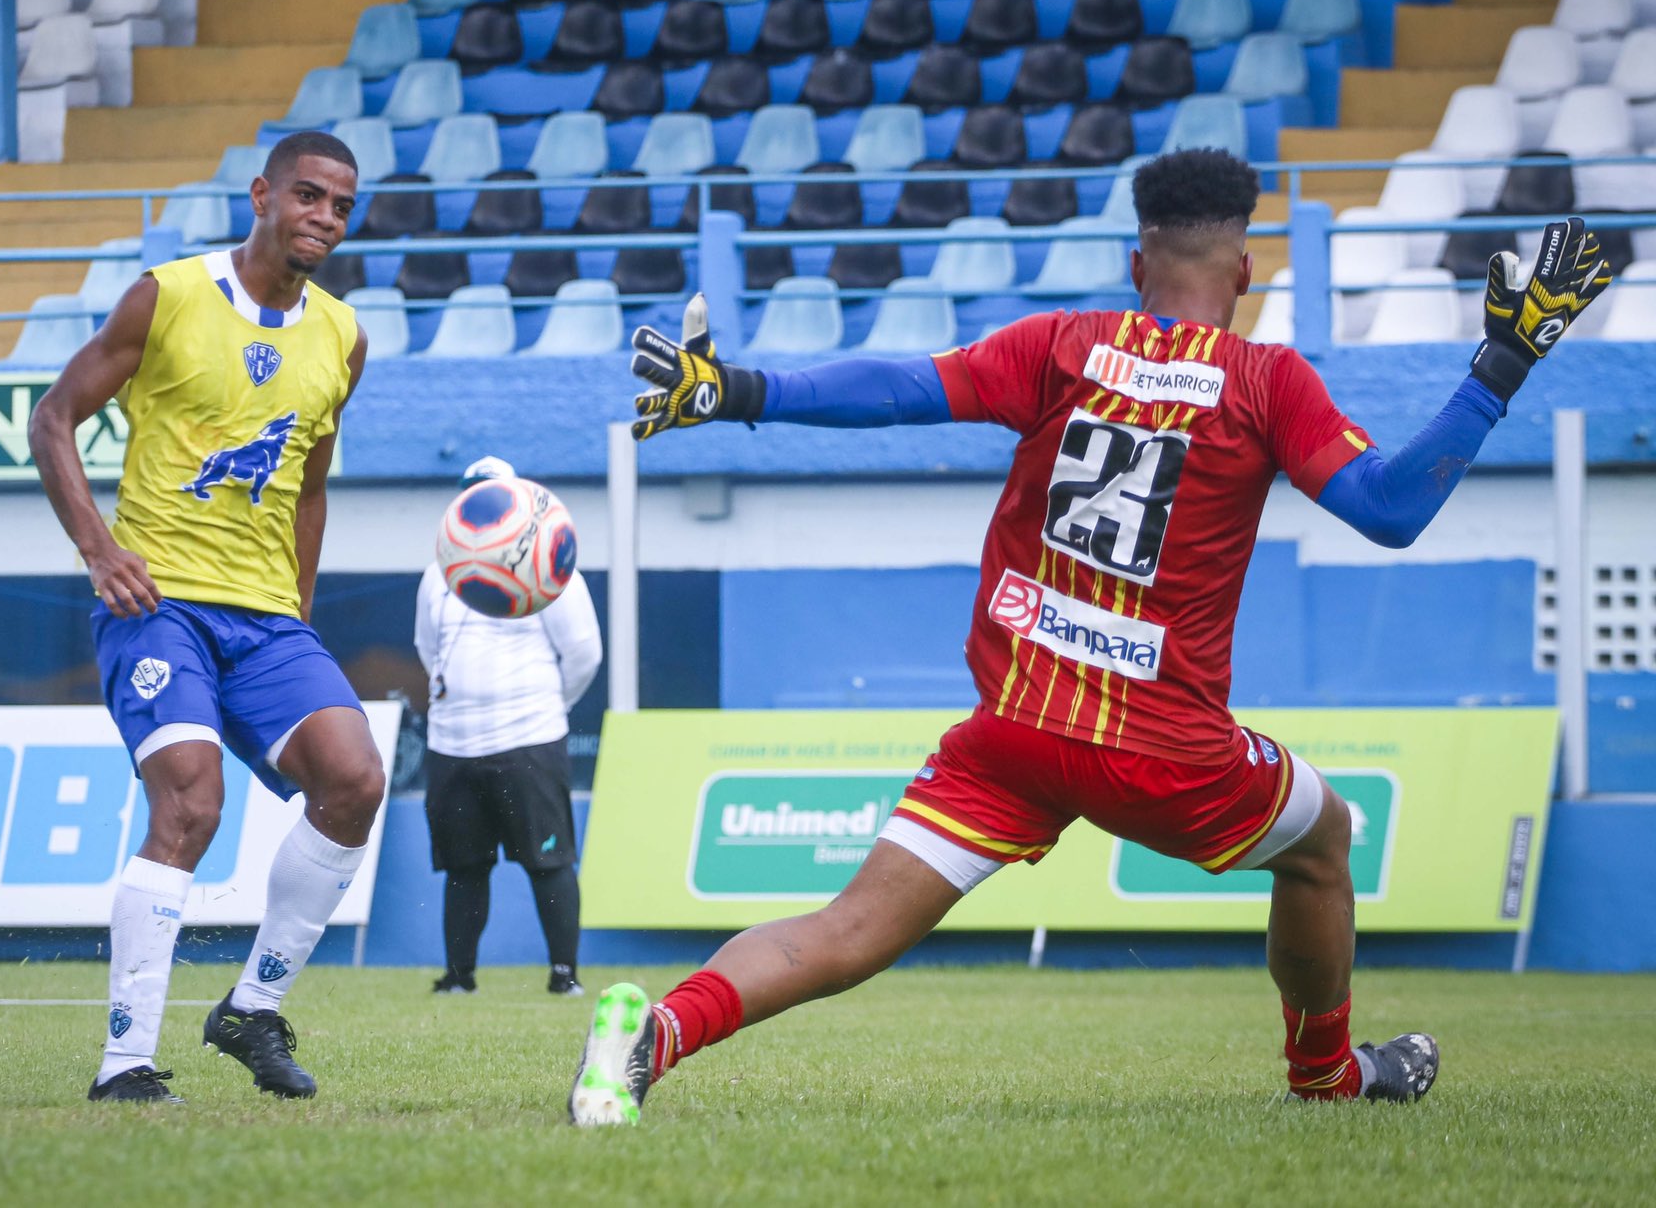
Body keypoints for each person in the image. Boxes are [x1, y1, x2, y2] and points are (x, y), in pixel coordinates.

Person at [566, 148, 1613, 1126]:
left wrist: (734, 387)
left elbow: (895, 389)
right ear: (1244, 268)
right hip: (1161, 747)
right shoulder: (1264, 382)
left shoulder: (1060, 345)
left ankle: (647, 1037)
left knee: (846, 927)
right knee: (1322, 841)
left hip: (1012, 729)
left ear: (1133, 260)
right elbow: (1388, 510)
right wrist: (1499, 365)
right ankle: (1326, 1073)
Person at [30, 130, 383, 1105]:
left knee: (354, 781)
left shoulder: (343, 338)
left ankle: (251, 1010)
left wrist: (299, 613)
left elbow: (311, 486)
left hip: (267, 620)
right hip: (160, 604)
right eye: (308, 195)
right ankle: (124, 1067)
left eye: (340, 206)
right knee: (189, 804)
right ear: (263, 194)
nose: (323, 217)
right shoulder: (169, 294)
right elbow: (52, 414)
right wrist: (100, 551)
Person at [415, 455, 602, 996]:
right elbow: (428, 650)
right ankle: (459, 976)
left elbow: (584, 654)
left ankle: (564, 975)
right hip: (453, 742)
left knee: (549, 860)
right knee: (463, 865)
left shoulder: (549, 564)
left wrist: (545, 708)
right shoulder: (436, 575)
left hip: (529, 738)